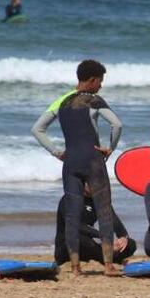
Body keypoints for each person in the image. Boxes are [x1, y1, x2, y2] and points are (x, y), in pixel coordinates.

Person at [31, 59, 123, 277]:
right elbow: (117, 124)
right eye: (100, 81)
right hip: (93, 160)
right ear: (91, 80)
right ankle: (109, 265)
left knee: (72, 214)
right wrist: (110, 147)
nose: (100, 86)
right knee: (104, 209)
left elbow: (37, 129)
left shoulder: (61, 102)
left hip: (70, 162)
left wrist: (56, 152)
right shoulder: (94, 100)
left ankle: (75, 268)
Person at [54, 183, 136, 266]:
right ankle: (113, 260)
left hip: (89, 248)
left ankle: (109, 258)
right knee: (81, 240)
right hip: (67, 248)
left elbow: (114, 220)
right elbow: (76, 226)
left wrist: (123, 237)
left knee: (131, 244)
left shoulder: (100, 200)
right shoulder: (70, 198)